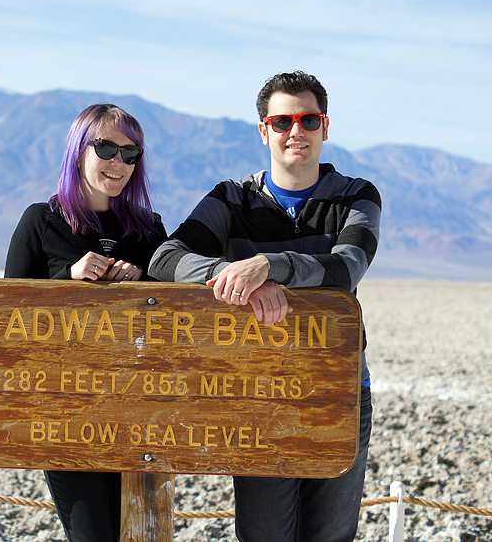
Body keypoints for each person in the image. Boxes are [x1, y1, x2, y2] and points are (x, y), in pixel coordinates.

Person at [149, 71, 381, 542]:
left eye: (308, 120)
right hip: (258, 391)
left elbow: (346, 268)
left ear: (325, 127)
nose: (296, 132)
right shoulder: (231, 199)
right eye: (282, 121)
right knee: (264, 536)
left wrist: (267, 265)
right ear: (264, 130)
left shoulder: (356, 195)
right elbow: (164, 258)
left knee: (331, 536)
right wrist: (234, 278)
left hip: (337, 391)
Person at [4, 103, 167, 542]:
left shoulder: (149, 232)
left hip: (139, 413)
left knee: (141, 534)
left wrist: (145, 277)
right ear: (78, 150)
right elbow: (3, 320)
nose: (119, 163)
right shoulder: (41, 222)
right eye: (106, 148)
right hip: (66, 416)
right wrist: (66, 280)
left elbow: (176, 315)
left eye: (130, 154)